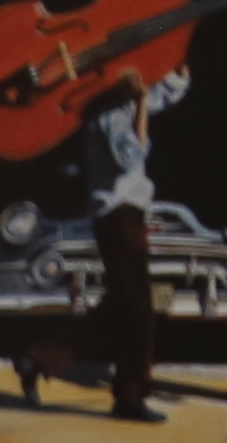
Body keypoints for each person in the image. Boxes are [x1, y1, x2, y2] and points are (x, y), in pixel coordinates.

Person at [74, 64, 190, 423]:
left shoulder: (122, 104)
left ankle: (40, 356)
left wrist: (177, 70)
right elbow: (131, 158)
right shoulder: (110, 112)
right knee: (138, 311)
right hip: (117, 214)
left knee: (122, 307)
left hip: (129, 214)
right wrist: (139, 105)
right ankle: (130, 397)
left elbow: (164, 95)